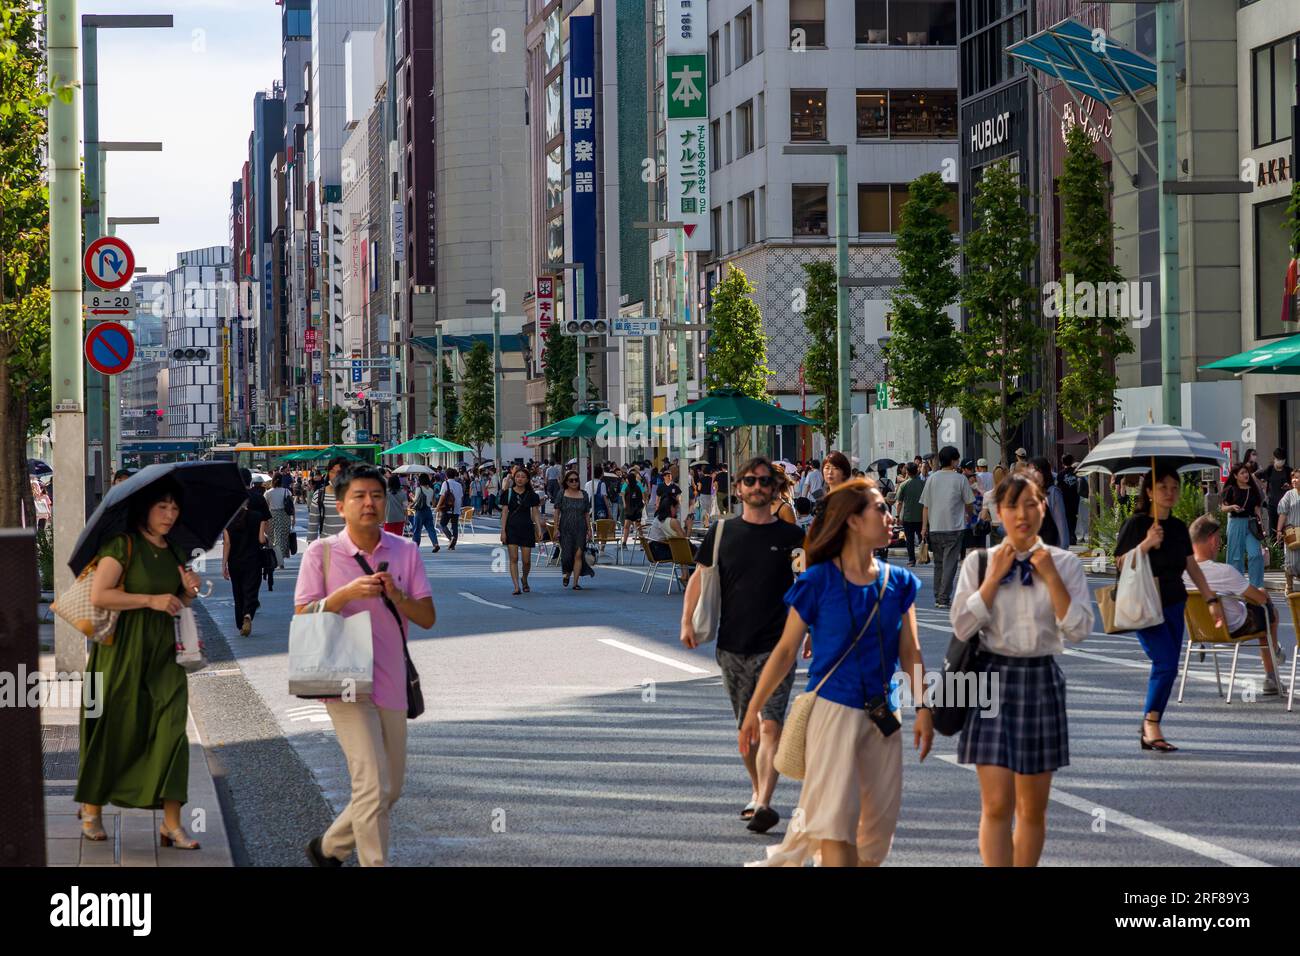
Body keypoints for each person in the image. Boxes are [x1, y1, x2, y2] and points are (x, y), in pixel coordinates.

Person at [741, 478, 930, 865]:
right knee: (834, 824)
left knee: (877, 830)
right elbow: (785, 652)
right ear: (853, 522)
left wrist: (924, 708)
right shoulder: (817, 581)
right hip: (833, 714)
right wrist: (752, 711)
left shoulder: (900, 583)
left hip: (883, 717)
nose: (890, 515)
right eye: (880, 507)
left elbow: (911, 652)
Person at [296, 465, 435, 868]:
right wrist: (343, 595)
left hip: (392, 681)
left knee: (390, 789)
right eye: (359, 496)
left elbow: (427, 617)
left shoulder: (404, 551)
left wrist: (398, 594)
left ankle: (330, 847)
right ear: (340, 506)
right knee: (372, 786)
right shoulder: (320, 554)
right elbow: (303, 616)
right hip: (342, 682)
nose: (369, 503)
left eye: (376, 494)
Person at [950, 472, 1092, 867]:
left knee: (1031, 808)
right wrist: (994, 579)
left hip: (1041, 678)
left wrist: (1050, 577)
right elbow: (962, 625)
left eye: (1031, 504)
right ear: (998, 512)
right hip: (991, 678)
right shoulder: (979, 562)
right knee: (996, 803)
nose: (1022, 514)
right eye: (1012, 506)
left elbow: (1079, 629)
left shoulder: (1063, 563)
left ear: (1044, 507)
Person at [76, 476, 205, 848]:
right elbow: (101, 595)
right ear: (144, 509)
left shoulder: (176, 551)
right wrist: (150, 601)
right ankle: (91, 809)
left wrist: (188, 589)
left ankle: (172, 823)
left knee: (172, 730)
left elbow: (181, 600)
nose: (169, 514)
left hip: (166, 651)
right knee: (114, 728)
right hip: (121, 650)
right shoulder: (122, 546)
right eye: (162, 507)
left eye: (175, 507)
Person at [681, 457, 807, 834]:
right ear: (737, 488)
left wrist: (812, 629)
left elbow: (807, 587)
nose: (756, 487)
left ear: (774, 488)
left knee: (770, 726)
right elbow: (699, 580)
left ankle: (765, 802)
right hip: (731, 647)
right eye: (749, 481)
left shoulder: (792, 539)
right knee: (748, 728)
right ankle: (756, 789)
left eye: (764, 481)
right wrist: (687, 620)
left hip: (778, 647)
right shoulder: (722, 532)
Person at [1114, 467, 1225, 753]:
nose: (1170, 492)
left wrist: (1211, 600)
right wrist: (1147, 543)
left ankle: (1151, 723)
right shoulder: (1136, 525)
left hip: (1175, 603)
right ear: (1149, 492)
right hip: (1144, 602)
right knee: (1165, 664)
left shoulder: (1177, 527)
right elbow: (1120, 563)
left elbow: (1191, 566)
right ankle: (1151, 724)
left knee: (1167, 668)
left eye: (1175, 487)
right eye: (1163, 487)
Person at [1183, 515, 1285, 697]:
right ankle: (1271, 674)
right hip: (1235, 627)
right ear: (1213, 540)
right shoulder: (1224, 572)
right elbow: (1259, 599)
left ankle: (1274, 661)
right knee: (1269, 610)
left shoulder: (1182, 573)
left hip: (1200, 629)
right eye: (1219, 538)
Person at [919, 446, 974, 608]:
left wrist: (924, 527)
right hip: (954, 527)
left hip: (935, 527)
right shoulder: (960, 479)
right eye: (957, 459)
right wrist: (969, 514)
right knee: (949, 564)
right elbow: (969, 502)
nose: (958, 462)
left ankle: (938, 596)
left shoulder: (932, 478)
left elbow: (925, 506)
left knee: (939, 563)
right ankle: (943, 598)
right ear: (952, 460)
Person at [223, 467, 271, 637]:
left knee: (238, 591)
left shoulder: (229, 503)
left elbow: (226, 541)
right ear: (250, 480)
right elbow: (265, 529)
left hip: (235, 557)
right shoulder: (258, 500)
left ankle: (240, 621)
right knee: (251, 588)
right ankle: (248, 614)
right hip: (254, 555)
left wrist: (224, 565)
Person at [501, 467, 544, 595]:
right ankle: (516, 586)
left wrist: (539, 529)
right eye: (518, 476)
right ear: (514, 478)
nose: (520, 479)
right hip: (511, 528)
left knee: (526, 561)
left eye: (523, 477)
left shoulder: (532, 495)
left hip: (527, 528)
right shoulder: (508, 493)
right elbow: (504, 512)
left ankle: (524, 578)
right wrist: (503, 531)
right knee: (513, 558)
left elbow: (535, 513)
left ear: (527, 480)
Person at [1222, 462, 1265, 588]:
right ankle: (1236, 586)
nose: (1246, 475)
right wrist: (1232, 507)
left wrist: (1261, 526)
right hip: (1235, 523)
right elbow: (1223, 508)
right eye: (1242, 473)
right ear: (1235, 476)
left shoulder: (1253, 489)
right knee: (1236, 557)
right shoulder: (1230, 489)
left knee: (1255, 554)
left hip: (1251, 524)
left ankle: (1256, 587)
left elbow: (1257, 509)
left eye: (1246, 472)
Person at [554, 470, 594, 589]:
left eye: (576, 480)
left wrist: (589, 529)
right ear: (566, 482)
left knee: (578, 555)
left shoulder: (584, 494)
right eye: (571, 480)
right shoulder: (562, 493)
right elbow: (556, 512)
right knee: (567, 556)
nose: (574, 482)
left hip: (580, 528)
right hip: (565, 528)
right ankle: (567, 574)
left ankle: (575, 583)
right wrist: (556, 528)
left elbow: (587, 513)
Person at [1028, 456, 1068, 549]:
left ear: (1044, 472)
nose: (1031, 474)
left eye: (1035, 470)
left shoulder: (1053, 492)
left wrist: (1063, 549)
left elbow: (1061, 524)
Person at [311, 457, 351, 542]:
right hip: (327, 548)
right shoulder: (319, 495)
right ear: (328, 473)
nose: (336, 476)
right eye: (332, 472)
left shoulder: (355, 495)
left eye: (339, 472)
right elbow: (313, 526)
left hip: (350, 550)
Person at [1257, 448, 1290, 544]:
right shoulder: (1270, 469)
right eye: (1278, 459)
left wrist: (1290, 486)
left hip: (1286, 505)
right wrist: (1263, 485)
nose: (1280, 461)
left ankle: (1284, 551)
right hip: (1272, 504)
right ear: (1274, 458)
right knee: (1273, 530)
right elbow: (1255, 476)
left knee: (1286, 529)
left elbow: (1294, 482)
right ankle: (1274, 552)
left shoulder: (1288, 470)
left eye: (1282, 459)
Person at [895, 462, 925, 566]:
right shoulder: (923, 484)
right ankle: (924, 556)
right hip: (921, 516)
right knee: (922, 538)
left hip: (908, 517)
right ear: (917, 471)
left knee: (910, 540)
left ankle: (912, 560)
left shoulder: (903, 485)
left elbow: (899, 502)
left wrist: (898, 516)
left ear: (907, 472)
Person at [1276, 469, 1300, 594]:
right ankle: (1289, 586)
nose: (1295, 480)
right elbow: (1283, 513)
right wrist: (1279, 530)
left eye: (1297, 477)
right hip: (1291, 531)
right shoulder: (1289, 495)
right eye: (1293, 478)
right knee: (1290, 560)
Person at [265, 474, 295, 569]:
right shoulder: (287, 491)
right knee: (283, 538)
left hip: (272, 516)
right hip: (285, 516)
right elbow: (292, 506)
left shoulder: (268, 493)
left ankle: (279, 560)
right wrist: (294, 518)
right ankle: (280, 559)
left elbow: (265, 507)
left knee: (275, 539)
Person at [410, 473, 440, 552]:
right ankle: (435, 544)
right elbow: (433, 502)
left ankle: (415, 546)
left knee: (417, 529)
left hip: (420, 511)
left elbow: (416, 500)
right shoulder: (431, 490)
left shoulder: (419, 489)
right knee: (431, 529)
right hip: (428, 511)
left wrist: (411, 497)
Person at [1057, 455, 1081, 547]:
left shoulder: (1061, 474)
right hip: (1075, 498)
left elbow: (1058, 487)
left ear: (1062, 463)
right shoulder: (1076, 473)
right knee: (1074, 518)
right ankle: (1072, 536)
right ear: (1072, 461)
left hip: (1064, 499)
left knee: (1066, 519)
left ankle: (1068, 537)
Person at [437, 469, 463, 550]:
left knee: (442, 523)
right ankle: (453, 544)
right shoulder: (459, 484)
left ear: (446, 475)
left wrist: (438, 506)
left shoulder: (445, 483)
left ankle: (450, 537)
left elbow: (442, 496)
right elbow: (461, 496)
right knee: (454, 525)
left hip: (448, 507)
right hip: (457, 507)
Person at [620, 466, 646, 547]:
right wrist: (625, 504)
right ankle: (624, 542)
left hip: (635, 510)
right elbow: (623, 495)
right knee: (627, 526)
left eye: (627, 479)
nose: (626, 480)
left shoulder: (637, 487)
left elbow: (641, 497)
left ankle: (642, 543)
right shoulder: (627, 487)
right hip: (630, 510)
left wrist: (642, 506)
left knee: (637, 527)